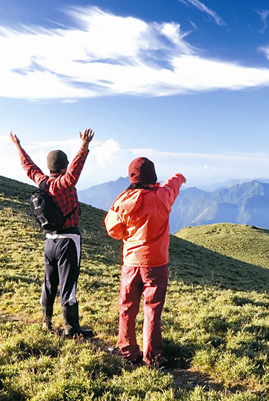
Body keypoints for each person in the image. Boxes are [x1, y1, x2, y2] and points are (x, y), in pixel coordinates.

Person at [10, 128, 95, 338]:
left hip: (50, 242)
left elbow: (29, 167)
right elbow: (75, 170)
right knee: (69, 285)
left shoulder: (42, 182)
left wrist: (18, 146)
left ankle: (46, 323)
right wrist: (84, 146)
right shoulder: (64, 183)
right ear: (64, 166)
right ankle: (71, 328)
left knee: (49, 283)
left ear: (48, 167)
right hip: (68, 240)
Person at [104, 157, 185, 366]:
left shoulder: (123, 201)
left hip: (131, 263)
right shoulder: (163, 196)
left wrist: (128, 234)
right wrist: (179, 176)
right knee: (153, 309)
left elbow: (112, 229)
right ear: (153, 176)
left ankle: (128, 351)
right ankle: (153, 356)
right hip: (156, 263)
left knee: (127, 307)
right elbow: (173, 185)